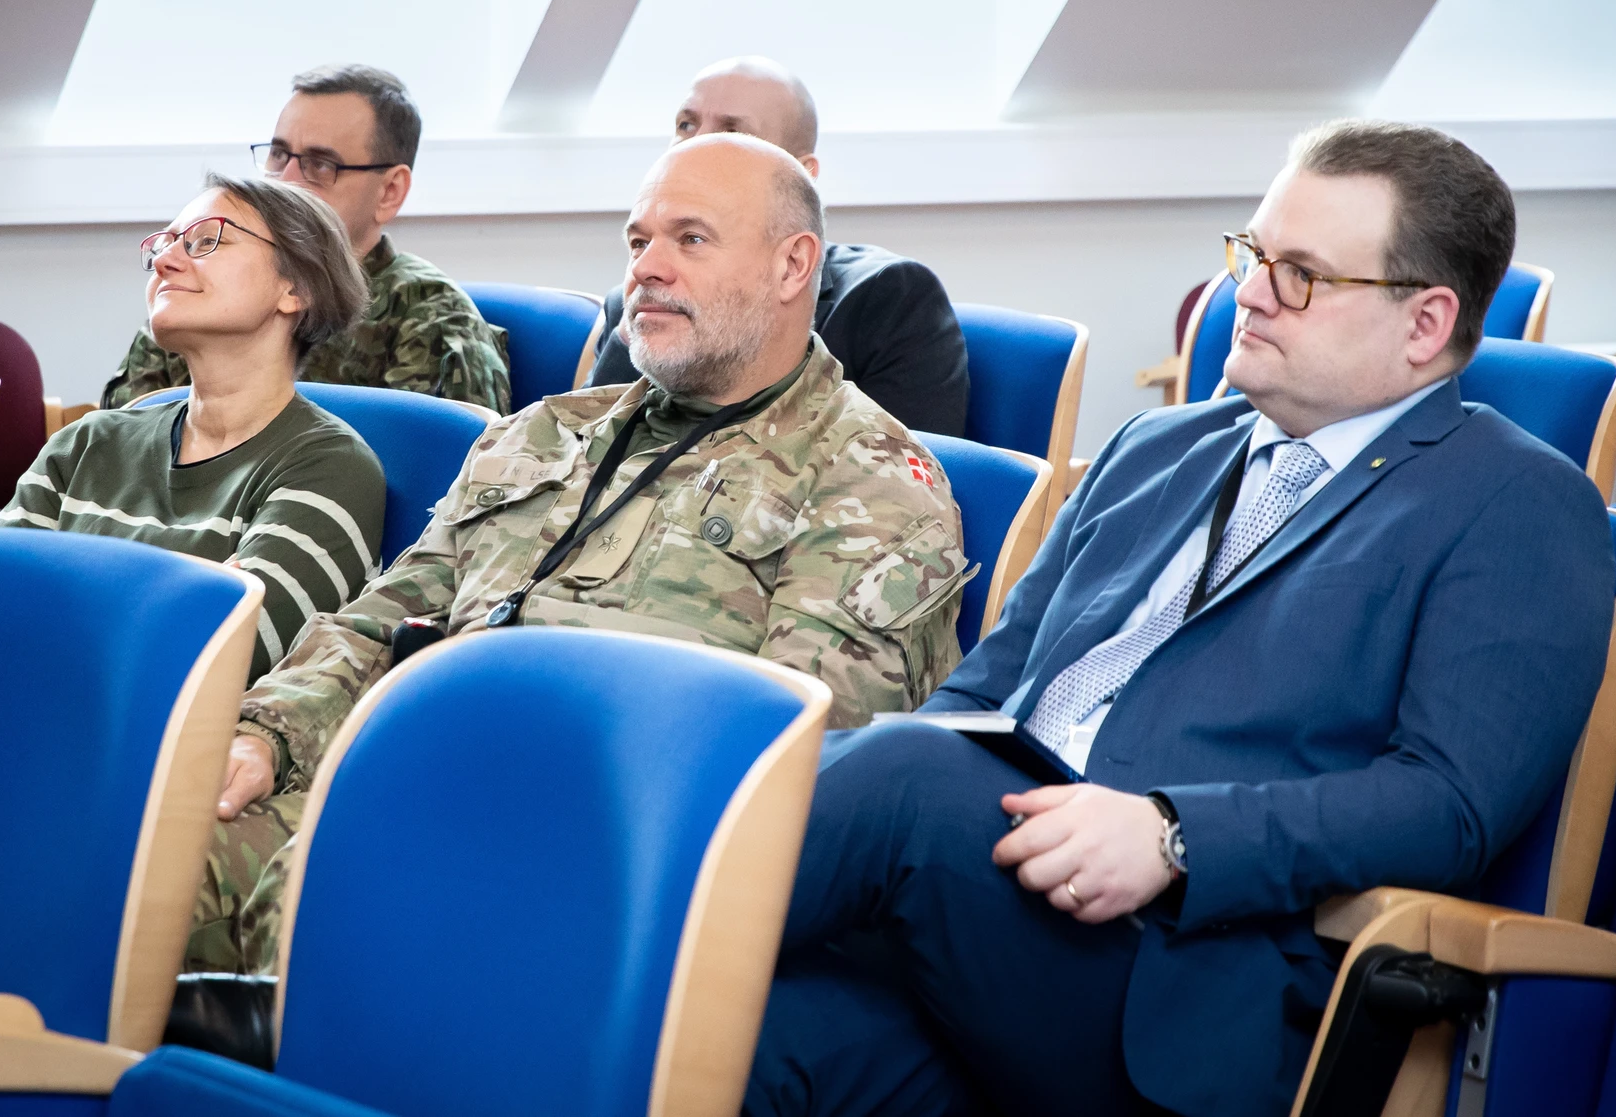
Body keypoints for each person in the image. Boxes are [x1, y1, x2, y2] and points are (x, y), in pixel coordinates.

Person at [743, 121, 1616, 1117]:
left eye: (1300, 275)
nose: (1248, 294)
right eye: (1253, 254)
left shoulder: (1512, 501)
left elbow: (1445, 805)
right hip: (980, 910)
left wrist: (1174, 835)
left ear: (1424, 324)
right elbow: (985, 690)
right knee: (734, 1039)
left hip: (1175, 972)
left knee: (905, 774)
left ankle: (613, 914)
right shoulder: (1154, 446)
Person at [188, 133, 972, 973]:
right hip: (400, 774)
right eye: (638, 241)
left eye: (690, 238)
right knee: (142, 850)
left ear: (792, 266)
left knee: (336, 919)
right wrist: (267, 736)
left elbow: (794, 763)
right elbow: (383, 619)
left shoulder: (866, 480)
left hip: (598, 850)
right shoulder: (544, 432)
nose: (647, 269)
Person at [4, 174, 385, 683]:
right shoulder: (85, 444)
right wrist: (195, 591)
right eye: (164, 245)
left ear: (296, 288)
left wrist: (68, 608)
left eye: (207, 240)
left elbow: (224, 654)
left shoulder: (332, 468)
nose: (165, 261)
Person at [586, 57, 969, 435]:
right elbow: (578, 455)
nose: (699, 144)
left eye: (733, 133)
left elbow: (901, 463)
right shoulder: (635, 300)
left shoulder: (885, 298)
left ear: (803, 175)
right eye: (686, 125)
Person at [101, 64, 511, 413]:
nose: (286, 180)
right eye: (279, 154)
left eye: (320, 164)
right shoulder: (204, 295)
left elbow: (448, 470)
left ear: (389, 191)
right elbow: (123, 445)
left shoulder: (433, 319)